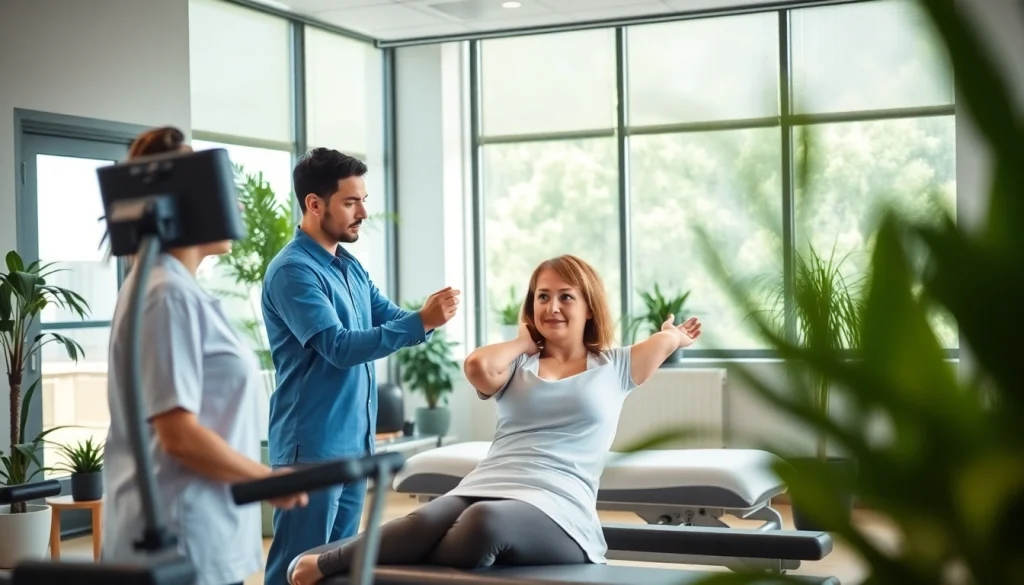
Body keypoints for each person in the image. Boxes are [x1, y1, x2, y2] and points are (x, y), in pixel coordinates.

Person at [288, 253, 702, 585]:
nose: (552, 307)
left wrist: (676, 334)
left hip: (560, 509)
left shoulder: (618, 365)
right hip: (487, 484)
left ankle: (348, 559)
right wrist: (526, 340)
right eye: (542, 296)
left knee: (480, 525)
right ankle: (328, 564)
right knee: (426, 519)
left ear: (589, 307)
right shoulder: (516, 364)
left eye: (565, 297)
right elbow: (475, 366)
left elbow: (666, 339)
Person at [102, 126, 309, 585]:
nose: (237, 206)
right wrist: (267, 479)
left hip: (203, 531)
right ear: (189, 203)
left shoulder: (173, 289)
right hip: (181, 534)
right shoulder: (165, 295)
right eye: (226, 192)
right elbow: (178, 434)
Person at [261, 147, 461, 585]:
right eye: (351, 201)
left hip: (355, 447)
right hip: (311, 450)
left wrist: (425, 317)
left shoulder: (349, 268)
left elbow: (390, 317)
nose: (363, 212)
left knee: (331, 568)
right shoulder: (292, 272)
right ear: (314, 204)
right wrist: (420, 321)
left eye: (363, 199)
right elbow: (339, 346)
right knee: (294, 570)